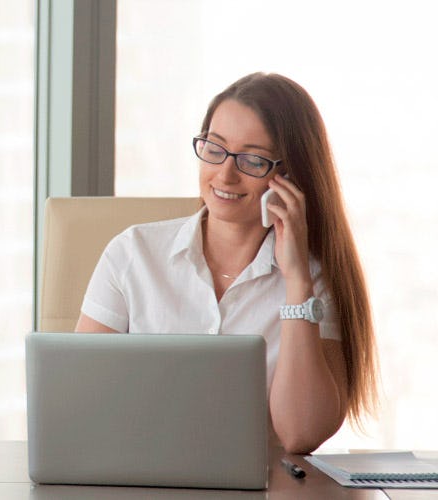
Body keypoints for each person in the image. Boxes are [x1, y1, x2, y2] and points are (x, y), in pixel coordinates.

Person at [75, 73, 378, 454]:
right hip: (141, 480)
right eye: (214, 148)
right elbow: (80, 401)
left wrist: (297, 282)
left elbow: (301, 434)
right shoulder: (131, 254)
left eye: (252, 160)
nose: (225, 174)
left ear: (289, 177)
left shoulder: (314, 280)